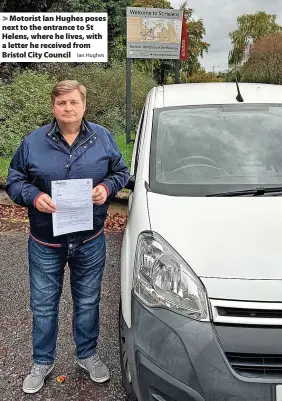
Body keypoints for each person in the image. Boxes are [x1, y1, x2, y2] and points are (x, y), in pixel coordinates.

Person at [5, 80, 130, 394]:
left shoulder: (102, 138)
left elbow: (121, 171)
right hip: (46, 242)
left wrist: (108, 188)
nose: (68, 108)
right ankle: (42, 361)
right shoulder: (32, 142)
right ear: (53, 107)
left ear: (84, 105)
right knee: (44, 305)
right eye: (62, 103)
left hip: (89, 240)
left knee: (88, 302)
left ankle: (87, 355)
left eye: (74, 102)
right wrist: (33, 197)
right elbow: (14, 180)